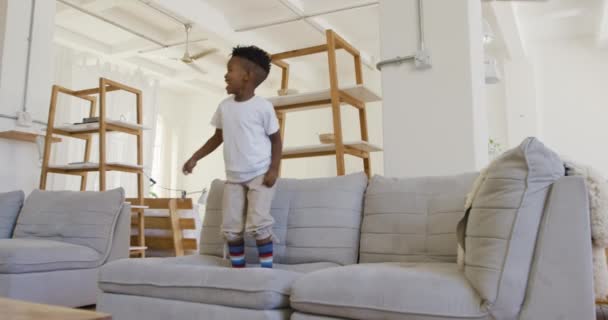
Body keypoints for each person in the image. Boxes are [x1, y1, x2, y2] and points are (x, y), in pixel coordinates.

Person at [182, 45, 281, 268]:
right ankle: (238, 269)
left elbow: (276, 140)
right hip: (234, 178)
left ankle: (267, 271)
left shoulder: (263, 107)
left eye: (230, 70)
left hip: (260, 174)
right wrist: (195, 157)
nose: (226, 75)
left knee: (258, 224)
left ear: (248, 76)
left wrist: (274, 169)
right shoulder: (224, 107)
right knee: (231, 226)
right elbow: (217, 137)